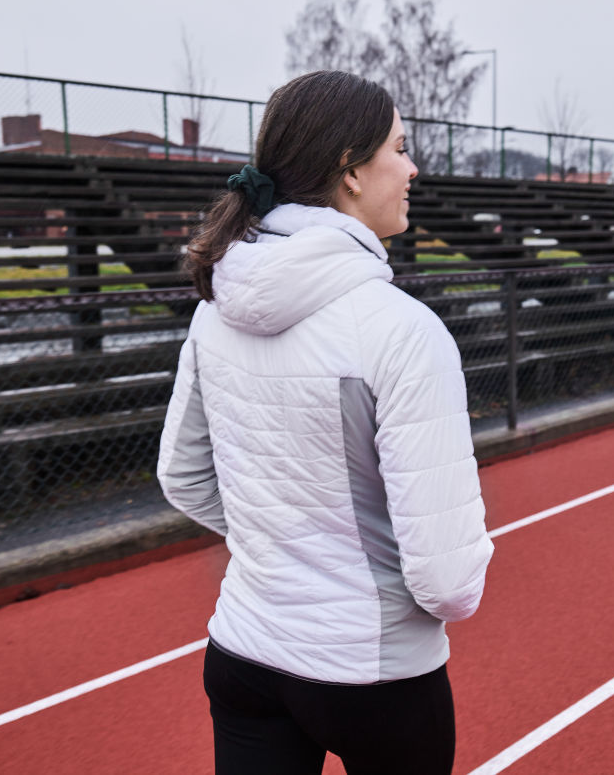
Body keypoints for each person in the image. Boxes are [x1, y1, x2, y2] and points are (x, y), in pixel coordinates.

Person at [157, 70, 494, 775]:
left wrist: (283, 543)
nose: (413, 167)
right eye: (400, 149)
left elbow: (182, 477)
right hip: (375, 673)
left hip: (246, 652)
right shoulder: (403, 331)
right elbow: (450, 582)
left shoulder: (215, 305)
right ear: (349, 172)